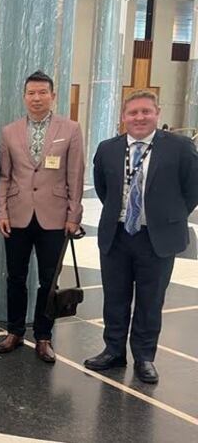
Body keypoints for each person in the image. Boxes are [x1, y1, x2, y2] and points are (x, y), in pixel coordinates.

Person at [86, 90, 198, 383]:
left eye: (145, 111)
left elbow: (192, 190)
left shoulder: (180, 147)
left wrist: (168, 216)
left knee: (150, 300)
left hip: (156, 237)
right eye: (133, 112)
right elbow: (103, 187)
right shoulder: (108, 148)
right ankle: (113, 350)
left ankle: (144, 357)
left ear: (157, 113)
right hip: (118, 234)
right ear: (123, 117)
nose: (139, 117)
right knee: (115, 297)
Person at [0, 71, 84, 362]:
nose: (36, 98)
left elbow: (76, 175)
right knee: (15, 277)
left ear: (53, 96)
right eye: (31, 93)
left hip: (54, 218)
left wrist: (74, 215)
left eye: (42, 93)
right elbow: (5, 177)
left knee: (49, 280)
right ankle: (15, 331)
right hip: (17, 216)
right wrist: (2, 211)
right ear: (24, 96)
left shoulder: (70, 129)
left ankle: (44, 337)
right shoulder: (9, 131)